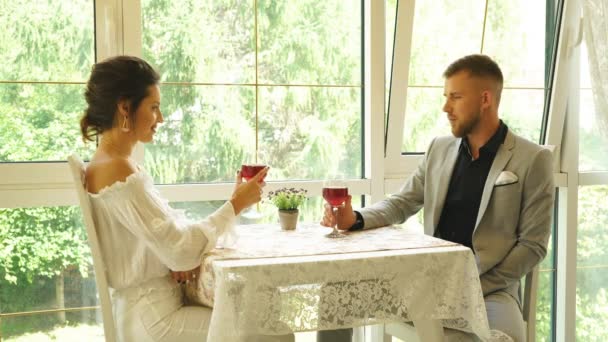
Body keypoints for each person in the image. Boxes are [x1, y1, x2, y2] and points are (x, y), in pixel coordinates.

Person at [317, 54, 555, 342]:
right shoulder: (439, 149)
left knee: (503, 339)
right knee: (337, 295)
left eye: (455, 97)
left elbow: (532, 246)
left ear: (485, 99)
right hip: (425, 283)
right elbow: (401, 203)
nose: (446, 107)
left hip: (490, 291)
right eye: (446, 97)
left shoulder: (533, 159)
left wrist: (471, 285)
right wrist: (355, 218)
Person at [80, 55, 271, 341]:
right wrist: (235, 205)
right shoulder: (117, 169)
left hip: (152, 311)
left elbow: (169, 242)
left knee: (266, 324)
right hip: (155, 321)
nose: (161, 118)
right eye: (154, 107)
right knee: (269, 333)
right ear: (124, 107)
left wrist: (176, 257)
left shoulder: (113, 163)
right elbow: (179, 250)